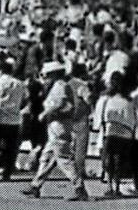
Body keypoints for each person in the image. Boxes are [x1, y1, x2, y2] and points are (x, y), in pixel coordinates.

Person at [23, 61, 89, 200]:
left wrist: (45, 113)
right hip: (56, 125)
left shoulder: (60, 86)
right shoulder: (59, 86)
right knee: (47, 158)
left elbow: (60, 103)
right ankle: (36, 185)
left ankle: (79, 187)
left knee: (63, 158)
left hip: (59, 124)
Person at [93, 71, 137, 198]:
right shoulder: (129, 100)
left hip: (109, 132)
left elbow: (98, 117)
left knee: (108, 161)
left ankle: (109, 187)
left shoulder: (105, 99)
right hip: (125, 134)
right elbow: (133, 119)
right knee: (119, 162)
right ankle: (116, 187)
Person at [0, 59, 27, 181]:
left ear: (0, 70)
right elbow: (25, 100)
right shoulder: (20, 84)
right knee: (11, 148)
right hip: (14, 120)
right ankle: (7, 172)